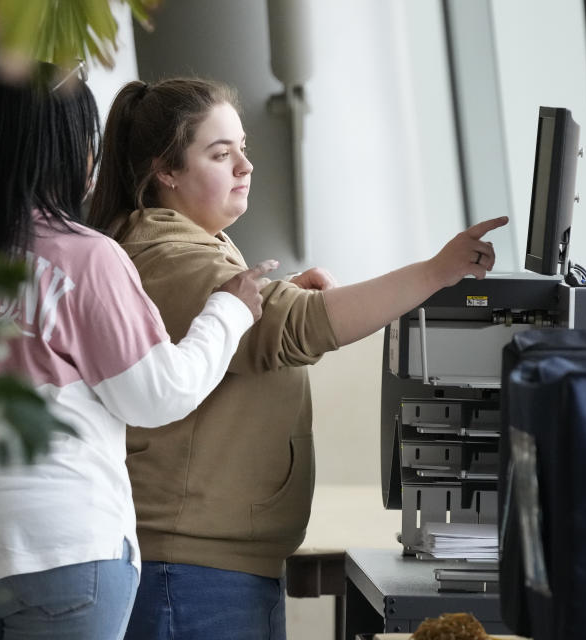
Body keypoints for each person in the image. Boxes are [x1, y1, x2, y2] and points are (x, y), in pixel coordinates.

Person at [87, 77, 508, 640]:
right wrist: (436, 272)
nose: (245, 166)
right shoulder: (168, 253)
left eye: (244, 149)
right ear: (166, 170)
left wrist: (278, 293)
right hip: (191, 575)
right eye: (220, 153)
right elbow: (297, 326)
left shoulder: (186, 246)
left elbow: (232, 321)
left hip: (207, 566)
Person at [0, 63, 275, 640]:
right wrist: (229, 313)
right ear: (64, 149)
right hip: (63, 545)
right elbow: (157, 395)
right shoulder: (85, 257)